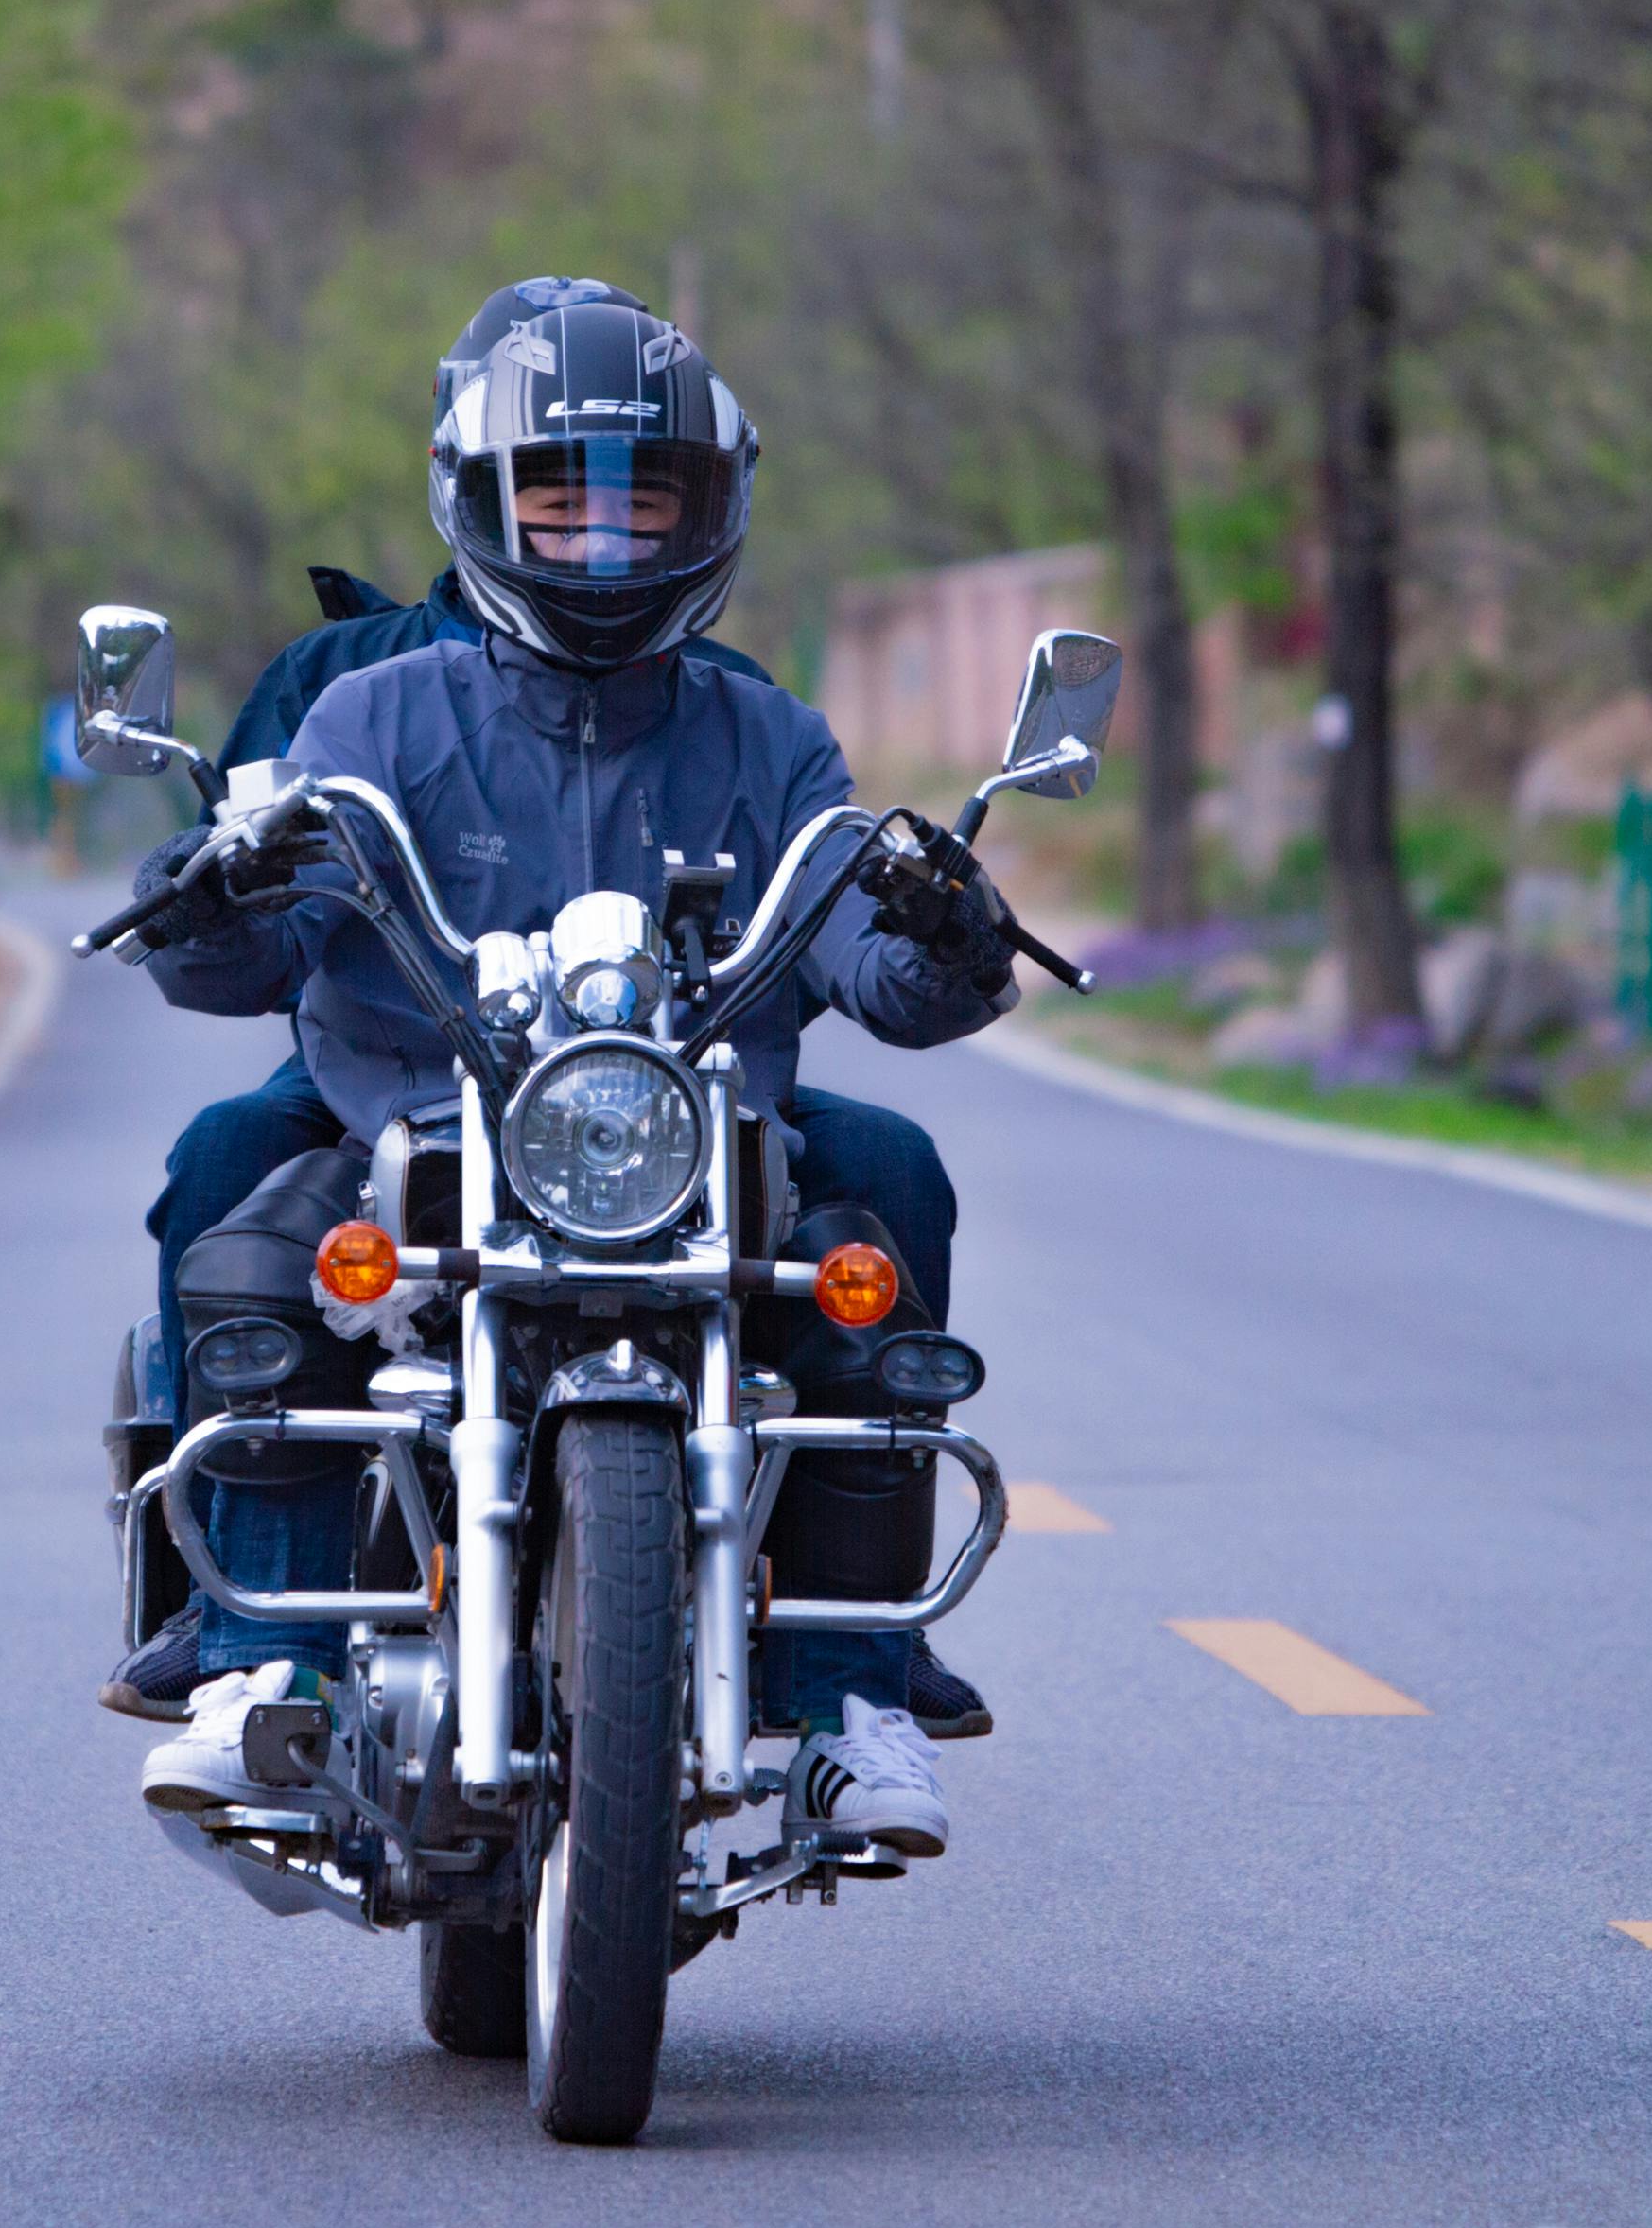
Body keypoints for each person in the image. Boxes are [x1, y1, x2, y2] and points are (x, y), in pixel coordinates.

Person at [119, 274, 1019, 1857]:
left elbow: (865, 960)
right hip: (418, 1116)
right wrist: (209, 894)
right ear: (480, 499)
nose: (602, 535)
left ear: (709, 510)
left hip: (698, 1128)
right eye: (561, 498)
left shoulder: (768, 736)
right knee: (244, 1213)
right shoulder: (369, 714)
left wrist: (951, 934)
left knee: (888, 1177)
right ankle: (257, 1654)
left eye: (641, 499)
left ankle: (850, 1688)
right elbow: (248, 959)